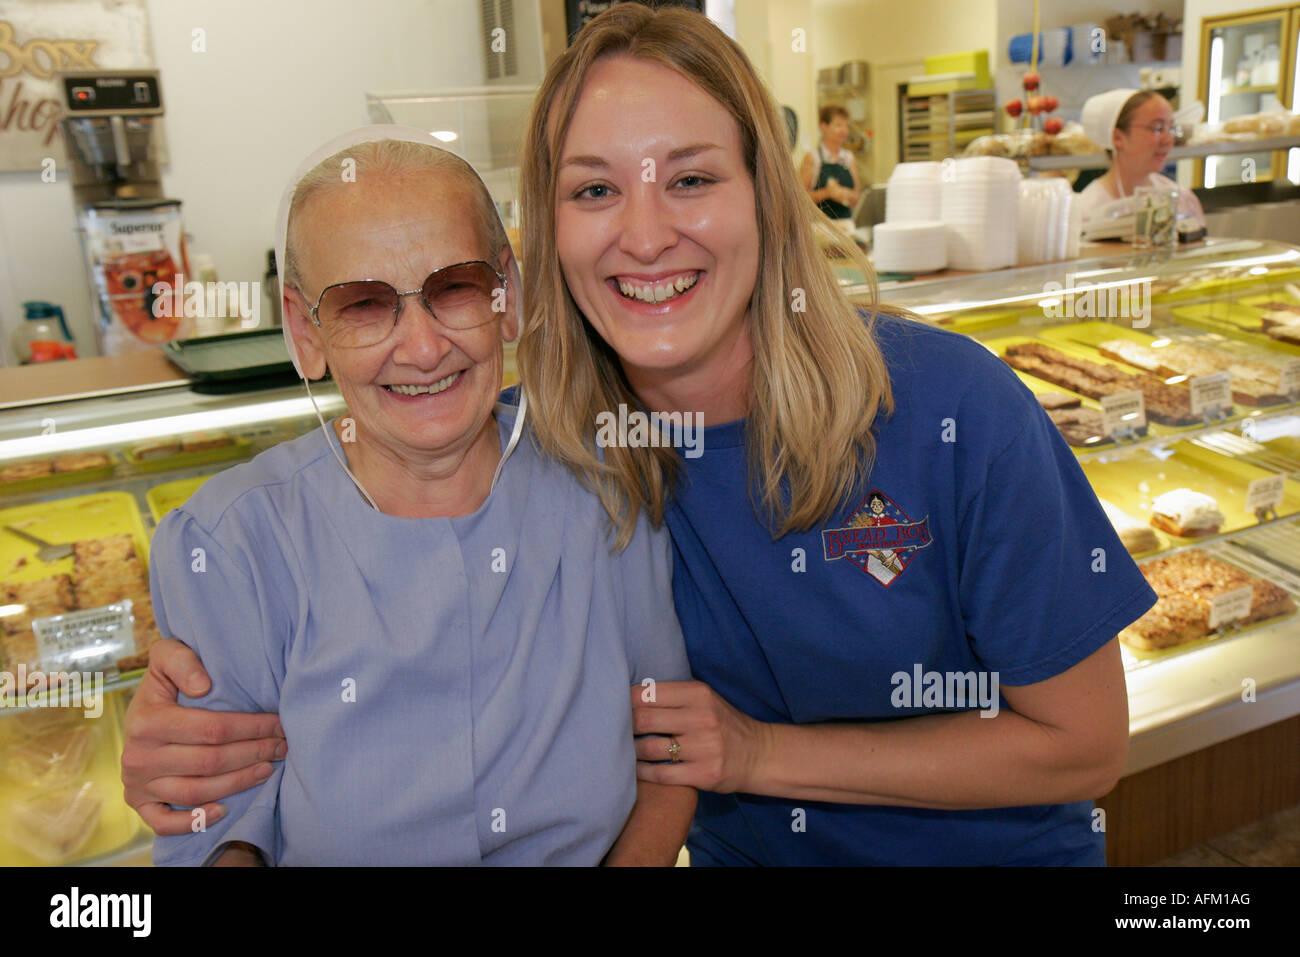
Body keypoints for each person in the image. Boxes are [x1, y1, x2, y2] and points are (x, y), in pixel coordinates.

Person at [124, 6, 1155, 866]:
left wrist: (757, 758)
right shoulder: (581, 453)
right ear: (549, 237)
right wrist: (186, 746)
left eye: (692, 178)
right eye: (594, 189)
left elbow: (1081, 748)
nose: (647, 233)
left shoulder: (949, 409)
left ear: (767, 195)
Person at [140, 125, 694, 866]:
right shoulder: (230, 544)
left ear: (509, 296)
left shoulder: (607, 490)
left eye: (454, 288)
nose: (424, 347)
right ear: (306, 332)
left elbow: (668, 751)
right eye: (365, 305)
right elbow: (220, 821)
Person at [1077, 88, 1207, 232]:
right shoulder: (1086, 211)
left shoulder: (1183, 201)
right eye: (1157, 128)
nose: (1169, 140)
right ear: (1118, 138)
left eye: (1170, 129)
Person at [799, 105, 860, 230]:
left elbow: (856, 197)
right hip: (819, 228)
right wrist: (827, 193)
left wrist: (844, 193)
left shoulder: (848, 158)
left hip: (846, 226)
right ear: (824, 127)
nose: (844, 131)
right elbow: (799, 199)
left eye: (846, 125)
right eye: (838, 125)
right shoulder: (812, 158)